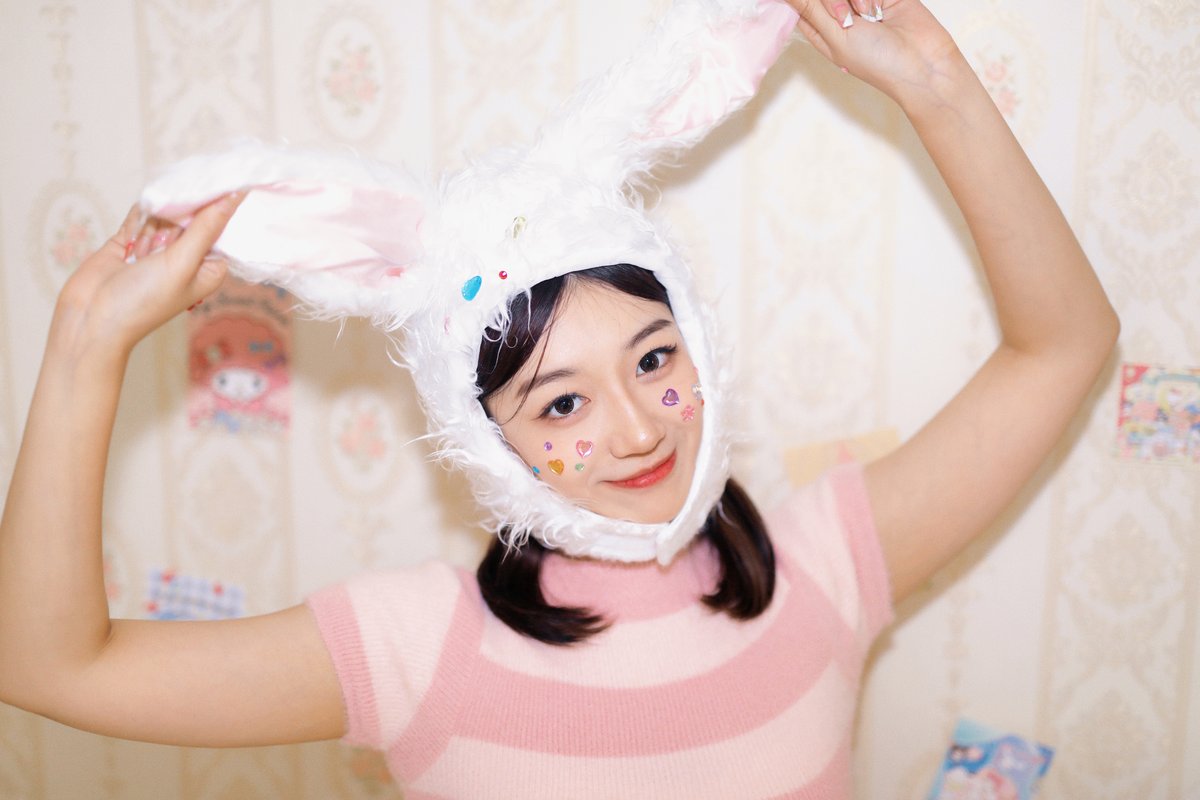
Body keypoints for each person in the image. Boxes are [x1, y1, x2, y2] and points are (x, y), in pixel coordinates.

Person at [0, 0, 1118, 797]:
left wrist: (938, 86)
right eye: (561, 404)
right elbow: (44, 665)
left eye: (652, 359)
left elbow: (1066, 348)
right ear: (489, 440)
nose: (637, 428)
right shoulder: (419, 648)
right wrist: (87, 343)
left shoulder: (827, 564)